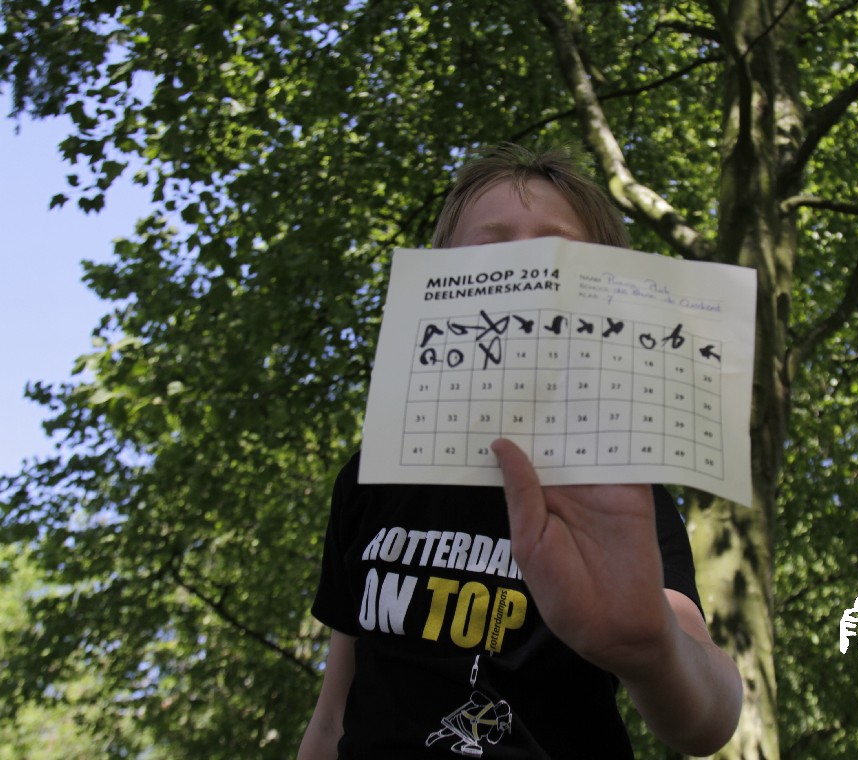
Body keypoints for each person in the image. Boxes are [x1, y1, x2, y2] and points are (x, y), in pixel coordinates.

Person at [297, 144, 743, 759]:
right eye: (494, 248)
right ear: (438, 285)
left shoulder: (624, 501)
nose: (527, 267)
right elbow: (331, 718)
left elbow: (711, 717)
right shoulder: (369, 478)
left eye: (560, 254)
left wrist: (654, 650)